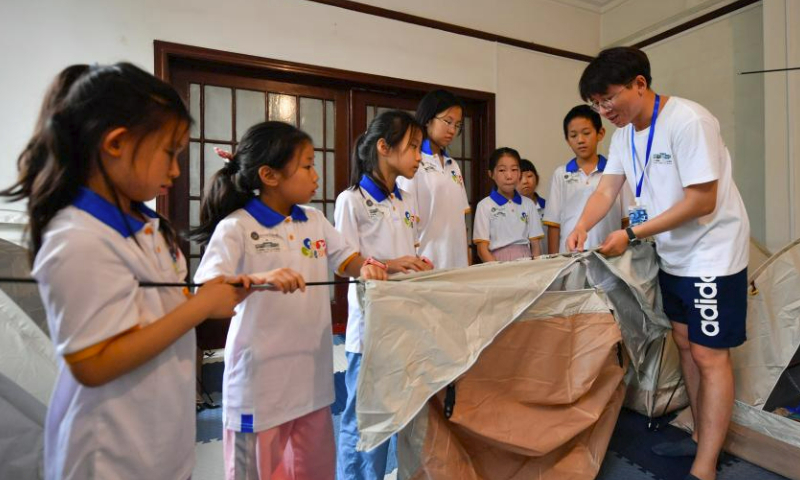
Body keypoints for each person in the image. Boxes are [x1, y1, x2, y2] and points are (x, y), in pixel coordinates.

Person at [0, 63, 259, 480]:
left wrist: (209, 300)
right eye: (169, 153)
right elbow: (93, 363)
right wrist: (198, 308)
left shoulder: (145, 226)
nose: (175, 170)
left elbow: (153, 312)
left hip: (159, 439)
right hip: (112, 453)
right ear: (116, 143)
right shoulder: (78, 237)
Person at [566, 47, 749, 480]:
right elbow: (605, 191)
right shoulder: (625, 134)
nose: (603, 110)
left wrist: (630, 234)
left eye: (607, 99)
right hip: (672, 253)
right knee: (685, 346)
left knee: (709, 355)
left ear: (640, 84)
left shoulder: (689, 121)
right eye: (595, 103)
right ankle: (700, 436)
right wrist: (582, 226)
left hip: (712, 253)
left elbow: (701, 200)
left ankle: (706, 466)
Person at [191, 121, 388, 480]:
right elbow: (207, 292)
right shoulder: (236, 227)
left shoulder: (312, 219)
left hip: (311, 384)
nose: (317, 175)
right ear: (270, 175)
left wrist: (371, 267)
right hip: (259, 387)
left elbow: (346, 259)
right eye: (308, 165)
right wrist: (256, 280)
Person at [335, 110, 434, 479]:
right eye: (412, 147)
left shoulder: (407, 199)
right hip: (371, 328)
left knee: (405, 412)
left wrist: (417, 263)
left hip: (406, 322)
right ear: (383, 147)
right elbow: (344, 263)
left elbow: (412, 247)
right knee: (365, 418)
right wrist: (393, 264)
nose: (419, 156)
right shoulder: (353, 200)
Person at [397, 89, 471, 268]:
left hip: (457, 264)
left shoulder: (453, 165)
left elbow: (460, 220)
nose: (452, 130)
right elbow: (405, 221)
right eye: (448, 121)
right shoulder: (414, 162)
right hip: (427, 263)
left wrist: (467, 257)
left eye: (458, 125)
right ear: (428, 118)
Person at [543, 105, 631, 254]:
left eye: (586, 133)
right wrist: (553, 260)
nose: (580, 140)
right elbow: (554, 224)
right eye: (573, 135)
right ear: (567, 139)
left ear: (600, 133)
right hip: (569, 256)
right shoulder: (560, 174)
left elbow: (626, 220)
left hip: (609, 255)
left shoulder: (616, 173)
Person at [473, 147, 543, 262]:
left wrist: (535, 269)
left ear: (520, 172)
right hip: (497, 264)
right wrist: (498, 272)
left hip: (526, 264)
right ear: (491, 174)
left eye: (514, 169)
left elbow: (535, 246)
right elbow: (482, 250)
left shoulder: (528, 204)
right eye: (502, 170)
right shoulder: (484, 206)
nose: (509, 176)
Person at [518, 158, 547, 253]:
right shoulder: (511, 209)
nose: (525, 181)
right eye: (520, 178)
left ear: (537, 179)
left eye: (529, 176)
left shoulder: (548, 207)